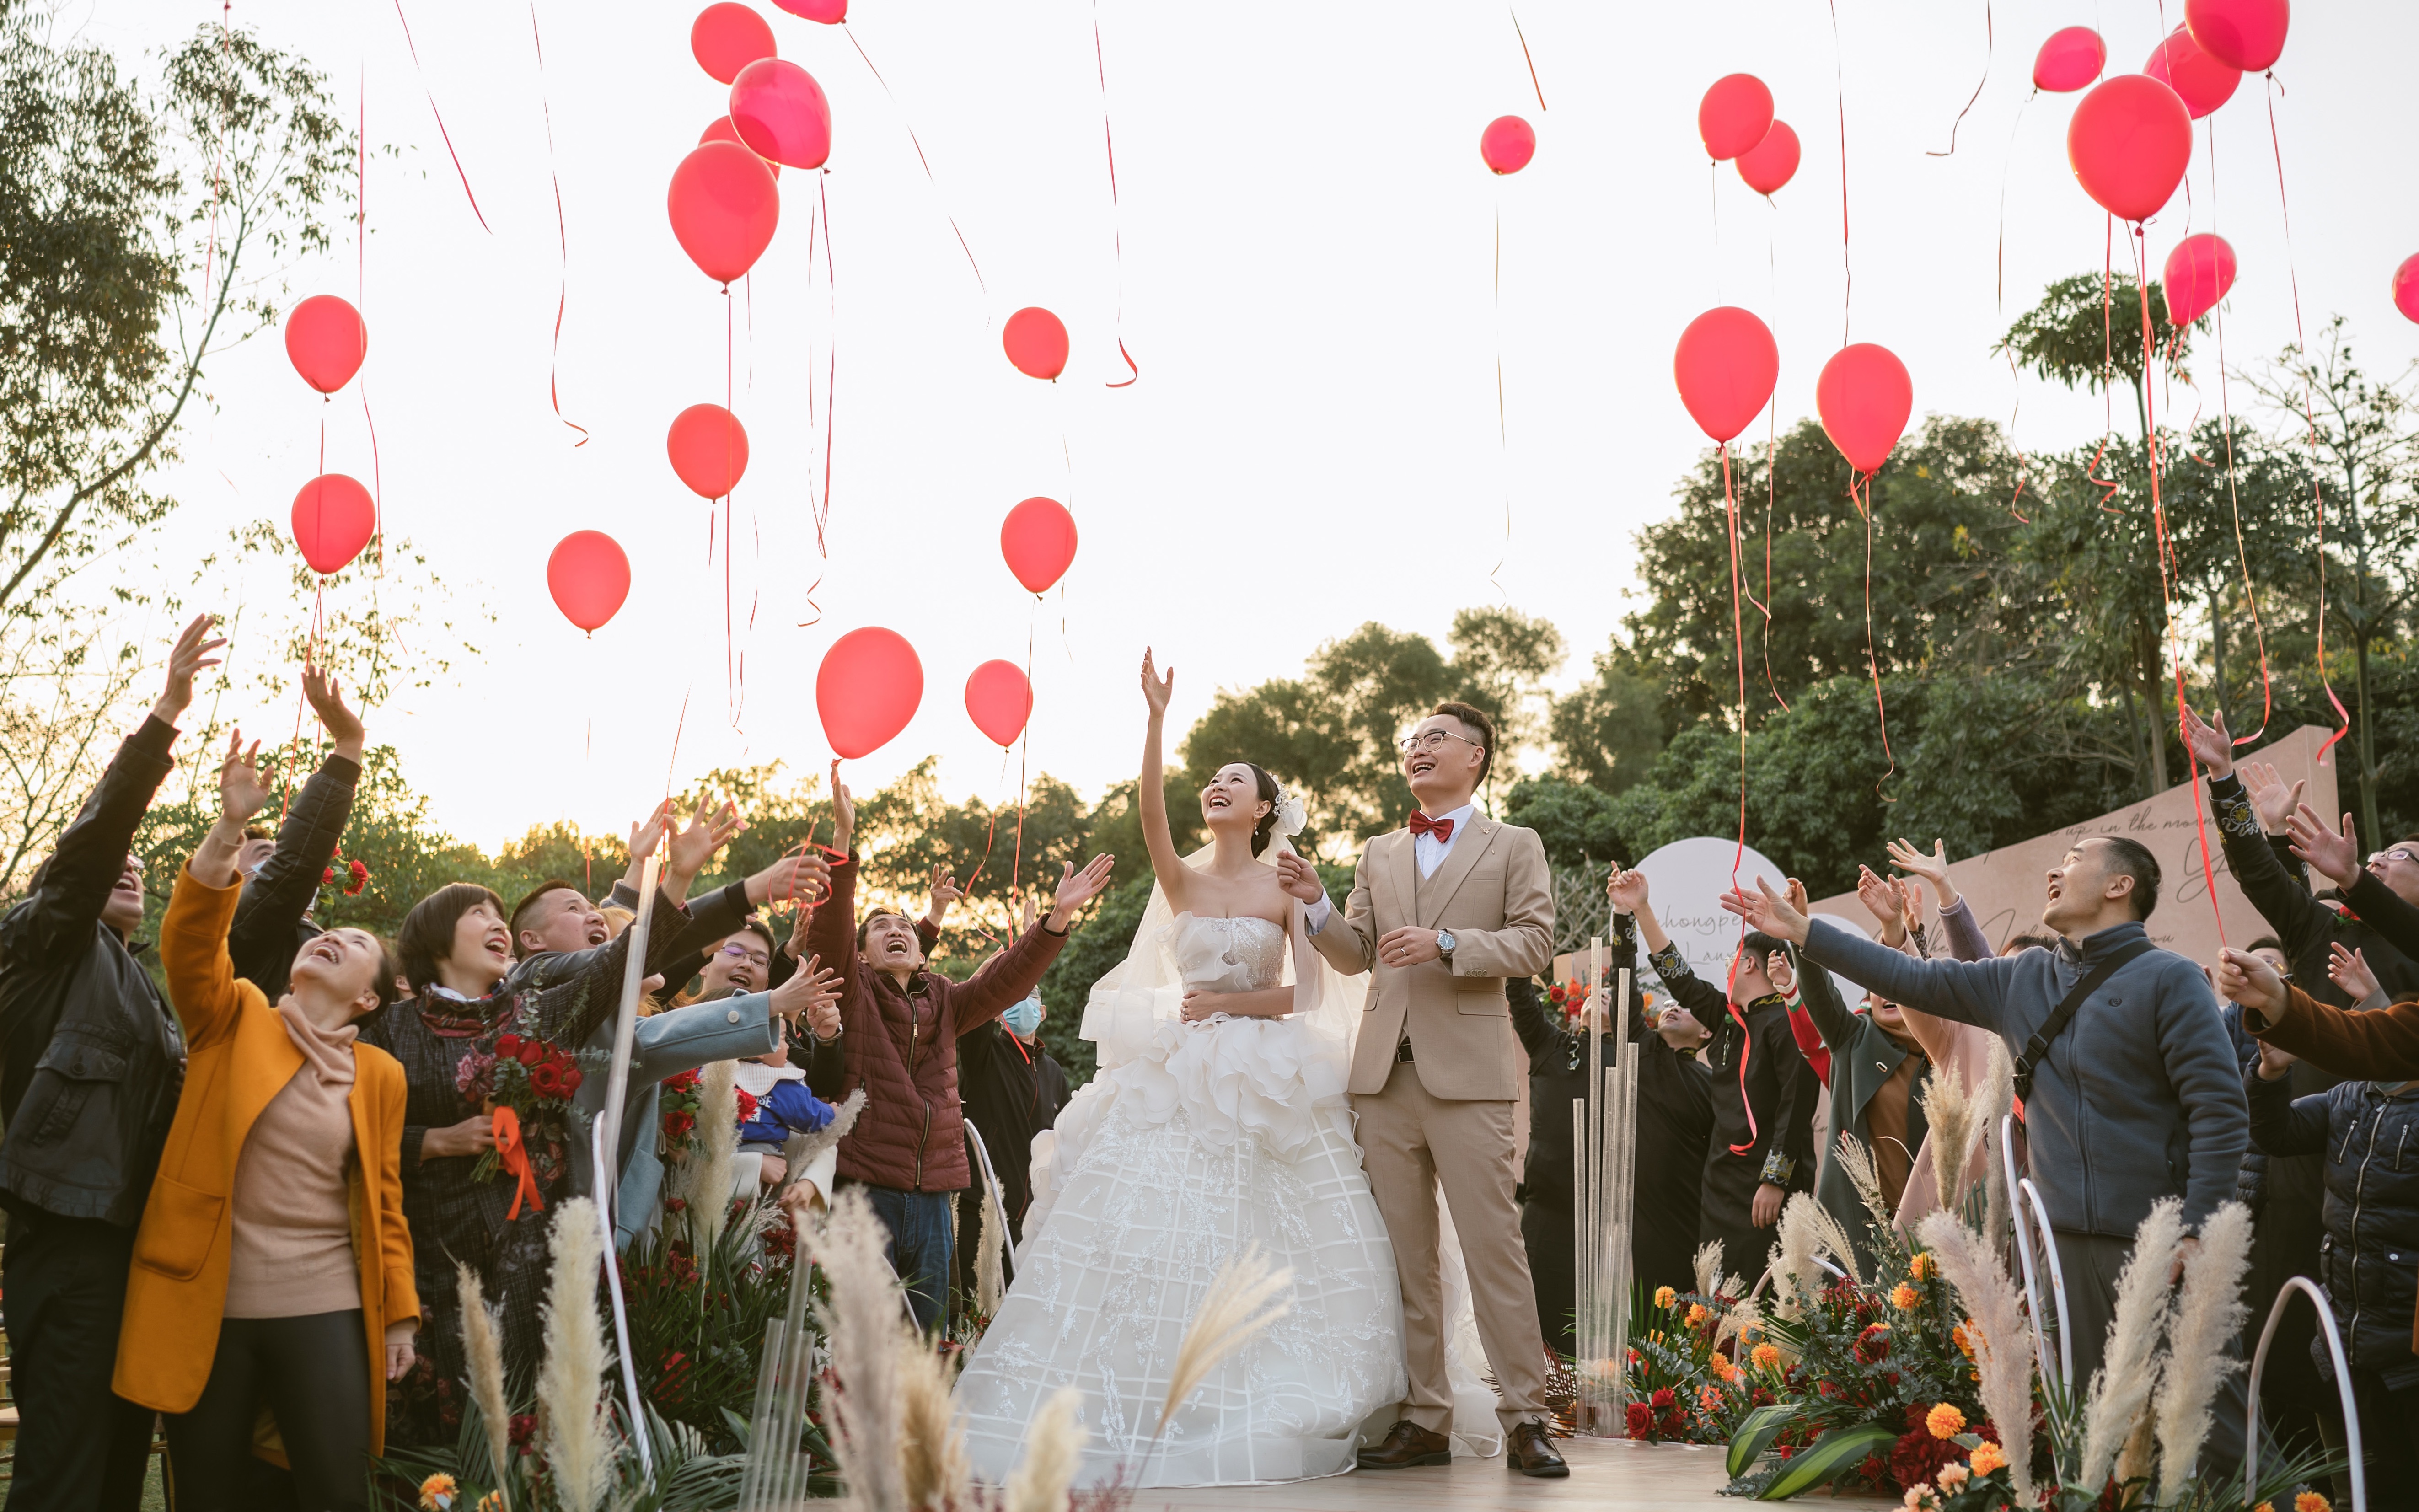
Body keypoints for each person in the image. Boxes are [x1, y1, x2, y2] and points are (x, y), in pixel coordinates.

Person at [956, 654, 1409, 1485]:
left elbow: (1306, 997)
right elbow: (1149, 816)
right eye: (1211, 780)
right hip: (1178, 1066)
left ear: (1264, 806)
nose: (1216, 787)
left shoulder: (1286, 886)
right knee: (1140, 1222)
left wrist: (1229, 1008)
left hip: (1263, 1065)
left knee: (1276, 1221)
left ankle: (1264, 1377)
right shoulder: (1181, 878)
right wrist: (1156, 717)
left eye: (1233, 780)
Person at [1725, 836, 2249, 1444]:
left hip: (2157, 1242)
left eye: (2077, 858)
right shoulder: (2025, 978)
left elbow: (2219, 1111)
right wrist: (1807, 933)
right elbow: (1908, 977)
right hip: (2059, 1251)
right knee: (2090, 1433)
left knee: (2205, 1432)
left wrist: (2194, 1228)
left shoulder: (2170, 978)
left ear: (2119, 885)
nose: (2057, 868)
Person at [113, 735, 418, 1512]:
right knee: (208, 1498)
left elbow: (385, 1203)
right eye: (324, 935)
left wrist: (400, 1317)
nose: (328, 938)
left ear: (368, 1000)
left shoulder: (380, 1076)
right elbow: (188, 944)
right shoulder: (233, 1015)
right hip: (205, 1306)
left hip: (325, 1307)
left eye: (350, 944)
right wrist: (225, 830)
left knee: (336, 1492)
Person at [360, 801, 747, 1407]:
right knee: (434, 1431)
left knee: (527, 1414)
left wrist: (675, 878)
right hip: (429, 1252)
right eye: (476, 912)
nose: (496, 922)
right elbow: (347, 1130)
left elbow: (625, 960)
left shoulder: (535, 1014)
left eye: (498, 913)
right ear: (433, 934)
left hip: (530, 1253)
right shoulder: (389, 1029)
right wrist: (433, 1141)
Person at [1285, 693, 1567, 1478]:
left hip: (1469, 1080)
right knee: (1407, 1260)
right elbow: (1354, 954)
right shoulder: (1377, 850)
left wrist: (1447, 942)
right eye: (1412, 739)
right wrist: (1315, 903)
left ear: (1475, 756)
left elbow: (1536, 943)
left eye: (1436, 738)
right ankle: (1424, 1417)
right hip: (1380, 1079)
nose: (1418, 747)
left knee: (1493, 1251)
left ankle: (1525, 1416)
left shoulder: (1514, 844)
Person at [0, 615, 217, 1512]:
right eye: (114, 862)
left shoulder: (140, 989)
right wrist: (165, 716)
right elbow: (87, 850)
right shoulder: (43, 944)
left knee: (121, 1466)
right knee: (65, 1469)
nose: (129, 866)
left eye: (140, 862)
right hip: (70, 1236)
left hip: (139, 1243)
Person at [801, 759, 1114, 1335]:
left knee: (928, 1339)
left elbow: (1005, 981)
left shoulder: (946, 1000)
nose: (895, 929)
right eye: (880, 926)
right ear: (864, 951)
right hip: (865, 1186)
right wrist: (842, 845)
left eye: (904, 925)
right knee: (860, 1337)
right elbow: (827, 933)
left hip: (936, 1195)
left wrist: (1058, 917)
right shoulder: (854, 992)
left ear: (923, 953)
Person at [1511, 906, 1713, 1355]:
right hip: (1548, 1206)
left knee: (1600, 1331)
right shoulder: (1550, 1047)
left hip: (1609, 1212)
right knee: (1540, 1325)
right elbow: (1520, 999)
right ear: (1574, 1012)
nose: (1600, 998)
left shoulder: (1633, 1056)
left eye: (1609, 997)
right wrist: (1518, 939)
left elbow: (1626, 986)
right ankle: (1542, 1401)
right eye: (1593, 995)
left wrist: (1624, 917)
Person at [1609, 868, 1816, 1292]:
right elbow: (1677, 976)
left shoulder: (1786, 1021)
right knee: (1719, 1301)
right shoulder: (1728, 1023)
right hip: (1720, 1188)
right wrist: (1642, 908)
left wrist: (1774, 1180)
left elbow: (1796, 1104)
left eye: (1731, 961)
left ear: (1751, 964)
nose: (1726, 970)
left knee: (1767, 1305)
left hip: (1765, 1189)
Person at [2243, 1025, 2419, 1507]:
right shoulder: (2348, 1099)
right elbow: (2275, 1133)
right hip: (2348, 1341)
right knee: (2363, 1494)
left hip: (2408, 1346)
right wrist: (2271, 1074)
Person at [1800, 869, 1935, 1270]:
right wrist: (1798, 930)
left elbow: (1928, 983)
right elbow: (1817, 992)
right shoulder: (1851, 1039)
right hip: (1857, 1230)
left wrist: (1897, 927)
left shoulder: (1945, 1052)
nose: (1887, 991)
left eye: (1896, 981)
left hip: (1928, 1235)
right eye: (1878, 981)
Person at [223, 664, 365, 1002]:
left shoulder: (322, 942)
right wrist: (348, 747)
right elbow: (293, 867)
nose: (276, 863)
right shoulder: (234, 931)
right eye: (264, 858)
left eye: (277, 853)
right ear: (233, 881)